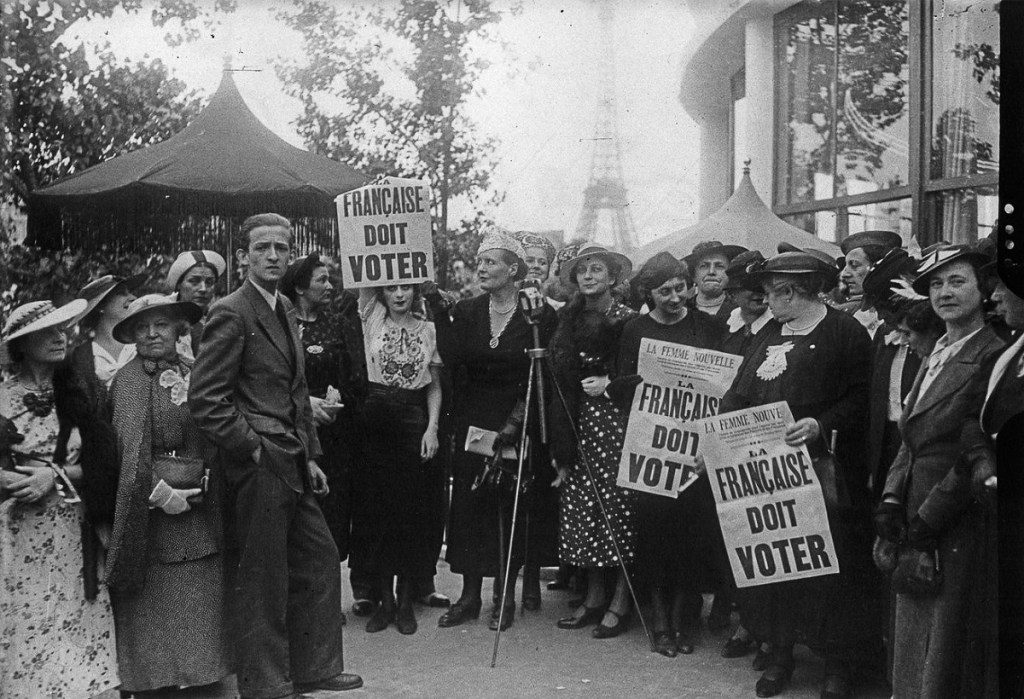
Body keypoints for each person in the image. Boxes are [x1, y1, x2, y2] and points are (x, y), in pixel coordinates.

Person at [189, 213, 362, 697]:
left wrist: (310, 455)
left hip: (292, 459)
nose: (272, 256)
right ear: (243, 256)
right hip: (260, 463)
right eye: (261, 248)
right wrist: (253, 448)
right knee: (263, 575)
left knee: (319, 559)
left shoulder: (284, 306)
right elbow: (207, 400)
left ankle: (313, 666)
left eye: (280, 249)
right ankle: (266, 683)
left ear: (290, 254)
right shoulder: (230, 311)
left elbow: (297, 389)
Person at [717, 247, 875, 699]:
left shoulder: (844, 333)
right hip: (768, 472)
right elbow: (738, 395)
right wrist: (713, 441)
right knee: (778, 562)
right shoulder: (768, 336)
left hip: (824, 469)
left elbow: (862, 397)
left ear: (794, 290)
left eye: (772, 293)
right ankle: (781, 652)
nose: (767, 301)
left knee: (832, 565)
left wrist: (821, 424)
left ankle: (837, 664)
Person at [876, 244, 1004, 699]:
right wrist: (892, 497)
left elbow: (973, 448)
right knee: (912, 639)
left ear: (983, 288)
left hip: (951, 519)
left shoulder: (993, 354)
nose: (945, 293)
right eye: (935, 284)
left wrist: (928, 520)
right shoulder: (938, 351)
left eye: (957, 281)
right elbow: (911, 434)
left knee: (943, 646)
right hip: (914, 512)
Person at [430, 227, 557, 631]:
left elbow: (543, 373)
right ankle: (469, 595)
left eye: (490, 262)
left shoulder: (537, 314)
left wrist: (518, 424)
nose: (481, 268)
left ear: (513, 268)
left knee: (508, 506)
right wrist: (437, 311)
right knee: (469, 506)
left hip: (515, 422)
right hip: (473, 422)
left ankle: (504, 596)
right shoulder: (468, 311)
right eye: (480, 261)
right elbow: (450, 359)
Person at [104, 294, 231, 693]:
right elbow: (125, 451)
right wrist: (159, 493)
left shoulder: (198, 372)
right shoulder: (126, 383)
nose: (152, 333)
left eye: (160, 324)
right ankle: (154, 683)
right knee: (155, 617)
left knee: (198, 611)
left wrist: (211, 476)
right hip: (152, 516)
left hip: (200, 510)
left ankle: (202, 679)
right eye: (142, 327)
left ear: (179, 328)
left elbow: (217, 431)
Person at [0, 298, 120, 698]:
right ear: (22, 344)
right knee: (25, 623)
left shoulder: (82, 391)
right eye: (46, 332)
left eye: (62, 329)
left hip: (71, 531)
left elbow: (104, 465)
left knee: (75, 623)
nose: (59, 338)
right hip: (15, 535)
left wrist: (54, 476)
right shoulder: (1, 395)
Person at [616, 251, 727, 654]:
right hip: (654, 448)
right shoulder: (635, 329)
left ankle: (684, 619)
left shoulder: (708, 326)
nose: (676, 297)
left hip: (695, 449)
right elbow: (622, 384)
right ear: (649, 294)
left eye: (682, 288)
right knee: (655, 535)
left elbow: (723, 388)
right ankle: (660, 619)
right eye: (665, 292)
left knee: (691, 536)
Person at [546, 245, 638, 639]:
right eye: (582, 270)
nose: (588, 276)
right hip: (577, 421)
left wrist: (610, 385)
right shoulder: (566, 319)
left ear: (613, 277)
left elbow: (640, 374)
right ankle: (594, 595)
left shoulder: (629, 321)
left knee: (617, 507)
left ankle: (621, 599)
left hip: (616, 422)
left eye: (597, 269)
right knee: (585, 508)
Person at [345, 283, 443, 635]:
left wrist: (431, 429)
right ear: (381, 293)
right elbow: (363, 277)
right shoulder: (371, 317)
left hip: (411, 420)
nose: (399, 294)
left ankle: (404, 602)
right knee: (378, 513)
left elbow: (434, 385)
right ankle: (384, 601)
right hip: (375, 418)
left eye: (406, 288)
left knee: (408, 513)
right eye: (391, 288)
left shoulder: (429, 329)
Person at [279, 254, 363, 566]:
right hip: (294, 432)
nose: (329, 286)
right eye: (321, 280)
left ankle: (326, 600)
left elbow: (357, 374)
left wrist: (339, 396)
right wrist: (305, 405)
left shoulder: (339, 324)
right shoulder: (281, 325)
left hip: (336, 435)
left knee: (334, 513)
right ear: (300, 288)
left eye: (329, 279)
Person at [72, 274, 146, 400]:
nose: (133, 298)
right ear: (101, 305)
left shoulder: (144, 345)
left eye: (130, 293)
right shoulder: (79, 358)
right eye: (122, 293)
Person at [837, 230, 903, 333]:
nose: (845, 274)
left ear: (879, 266)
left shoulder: (903, 309)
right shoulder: (858, 313)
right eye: (846, 266)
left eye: (854, 265)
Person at [167, 249, 227, 359]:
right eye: (194, 281)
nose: (203, 289)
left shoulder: (217, 319)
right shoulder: (161, 315)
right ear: (179, 284)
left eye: (209, 282)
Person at [721, 250, 771, 357]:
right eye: (750, 286)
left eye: (762, 284)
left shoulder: (780, 325)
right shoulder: (724, 324)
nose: (759, 291)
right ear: (732, 295)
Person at [683, 240, 747, 321]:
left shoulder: (743, 309)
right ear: (693, 275)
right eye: (704, 266)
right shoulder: (680, 311)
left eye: (719, 266)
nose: (711, 271)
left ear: (729, 274)